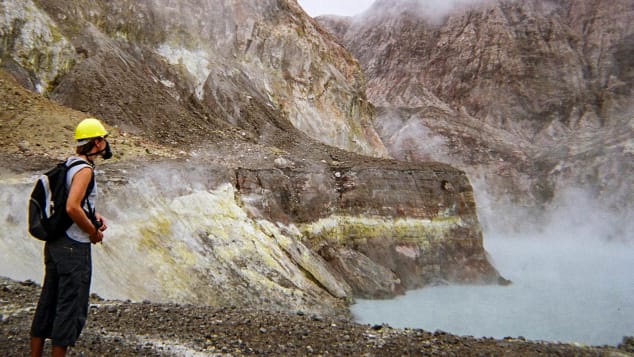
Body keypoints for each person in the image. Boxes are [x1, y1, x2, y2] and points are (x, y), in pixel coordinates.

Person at [30, 118, 112, 357]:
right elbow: (72, 208)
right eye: (103, 138)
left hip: (55, 244)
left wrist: (94, 215)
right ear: (96, 142)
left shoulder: (70, 164)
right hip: (73, 247)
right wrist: (93, 232)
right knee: (70, 306)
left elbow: (72, 201)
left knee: (48, 301)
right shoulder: (85, 170)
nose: (106, 143)